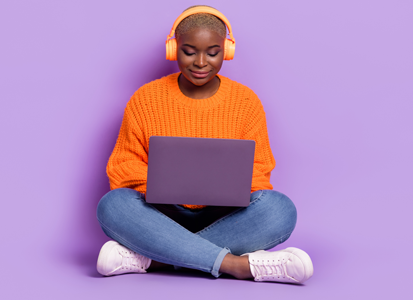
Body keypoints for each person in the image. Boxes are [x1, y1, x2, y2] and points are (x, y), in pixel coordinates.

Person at [94, 6, 313, 284]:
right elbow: (123, 167)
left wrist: (227, 192)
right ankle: (238, 266)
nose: (200, 62)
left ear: (227, 51)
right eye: (189, 51)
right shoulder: (145, 98)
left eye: (212, 52)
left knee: (280, 209)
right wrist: (163, 189)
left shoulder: (246, 102)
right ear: (173, 49)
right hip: (161, 216)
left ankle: (156, 259)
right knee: (112, 206)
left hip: (225, 217)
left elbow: (260, 171)